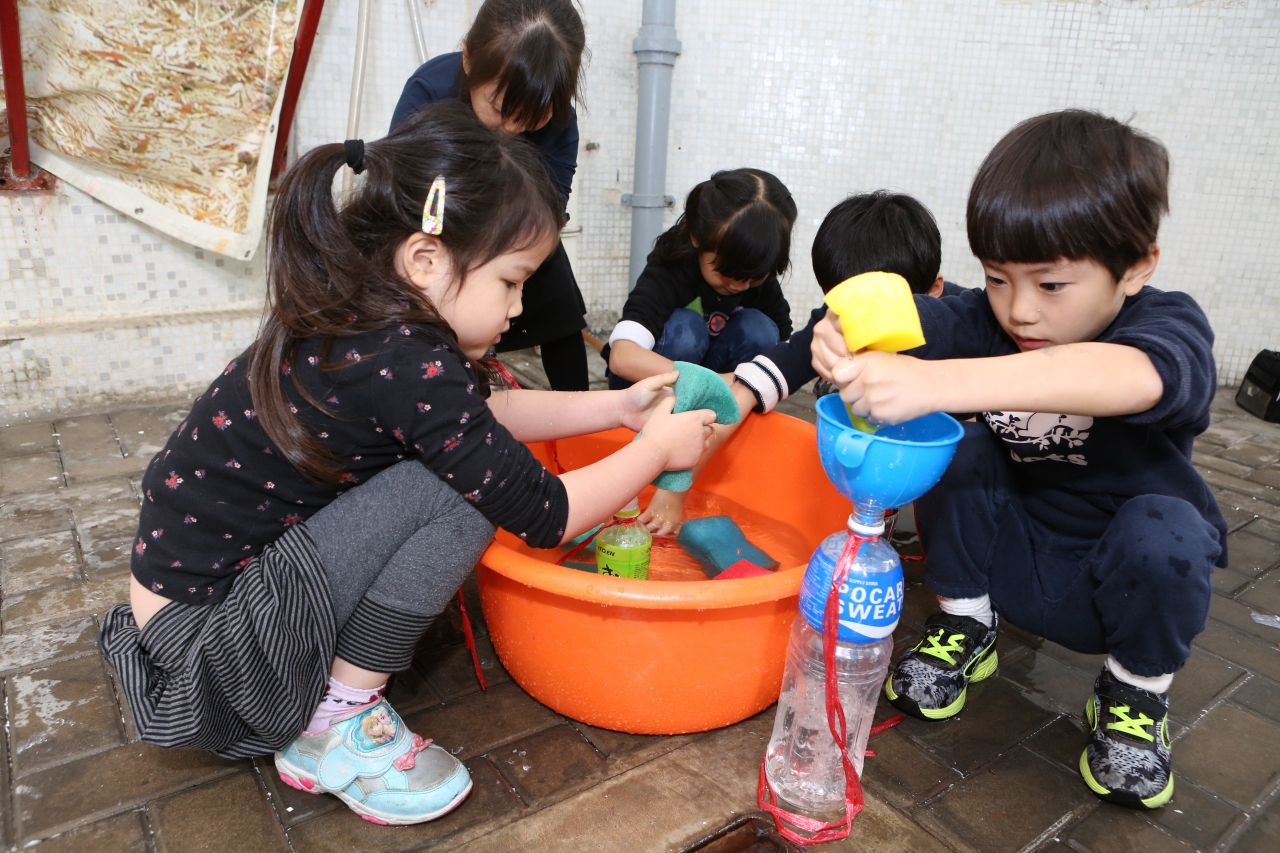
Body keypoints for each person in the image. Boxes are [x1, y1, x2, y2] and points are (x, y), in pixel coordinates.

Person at [98, 101, 715, 828]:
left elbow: (482, 417)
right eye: (510, 281)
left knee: (465, 463)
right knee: (462, 491)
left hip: (191, 608)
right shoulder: (403, 359)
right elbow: (544, 512)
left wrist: (617, 409)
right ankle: (333, 726)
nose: (518, 308)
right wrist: (655, 452)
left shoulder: (368, 315)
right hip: (214, 655)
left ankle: (330, 698)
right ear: (425, 259)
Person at [811, 110, 1225, 811]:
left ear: (1137, 267)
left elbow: (1138, 376)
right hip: (1009, 558)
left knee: (1171, 533)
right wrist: (842, 328)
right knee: (962, 446)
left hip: (1110, 587)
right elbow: (917, 317)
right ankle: (967, 624)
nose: (1020, 311)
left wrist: (941, 383)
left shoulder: (1167, 325)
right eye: (998, 278)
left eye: (1050, 285)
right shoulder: (987, 319)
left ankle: (1134, 693)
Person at [641, 191, 951, 535]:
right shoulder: (835, 323)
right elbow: (743, 394)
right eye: (844, 306)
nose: (859, 325)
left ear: (933, 290)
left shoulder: (965, 327)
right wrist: (674, 491)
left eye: (878, 315)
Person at [390, 0, 591, 391]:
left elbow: (552, 208)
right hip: (440, 232)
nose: (513, 127)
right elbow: (405, 191)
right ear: (468, 59)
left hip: (517, 232)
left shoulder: (559, 118)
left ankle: (581, 406)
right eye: (499, 109)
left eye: (533, 117)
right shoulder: (431, 90)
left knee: (559, 297)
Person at [604, 168, 797, 389]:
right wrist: (715, 383)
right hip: (649, 385)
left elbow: (785, 352)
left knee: (759, 330)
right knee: (686, 329)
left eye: (753, 277)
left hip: (712, 386)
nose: (739, 285)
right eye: (727, 272)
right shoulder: (672, 265)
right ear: (697, 237)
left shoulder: (755, 270)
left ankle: (726, 405)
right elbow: (622, 357)